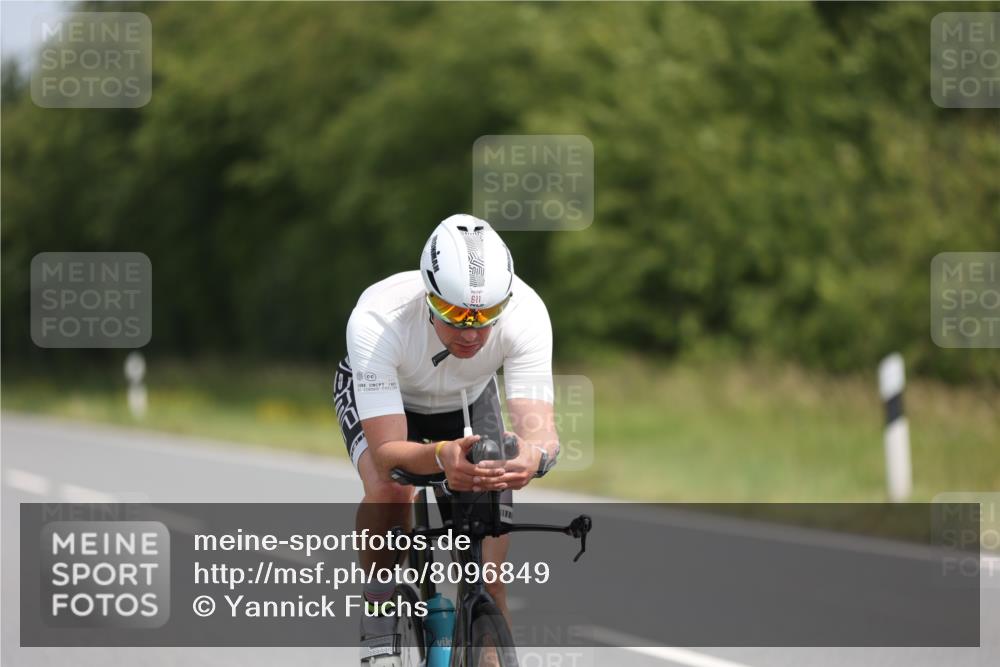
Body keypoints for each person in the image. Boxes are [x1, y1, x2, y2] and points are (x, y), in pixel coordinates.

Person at [334, 213, 559, 666]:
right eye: (456, 315)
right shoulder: (378, 318)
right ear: (429, 296)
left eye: (487, 316)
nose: (472, 332)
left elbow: (538, 426)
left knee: (488, 572)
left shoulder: (527, 312)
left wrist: (533, 457)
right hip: (392, 403)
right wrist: (440, 456)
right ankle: (378, 610)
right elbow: (387, 453)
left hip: (467, 400)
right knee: (392, 488)